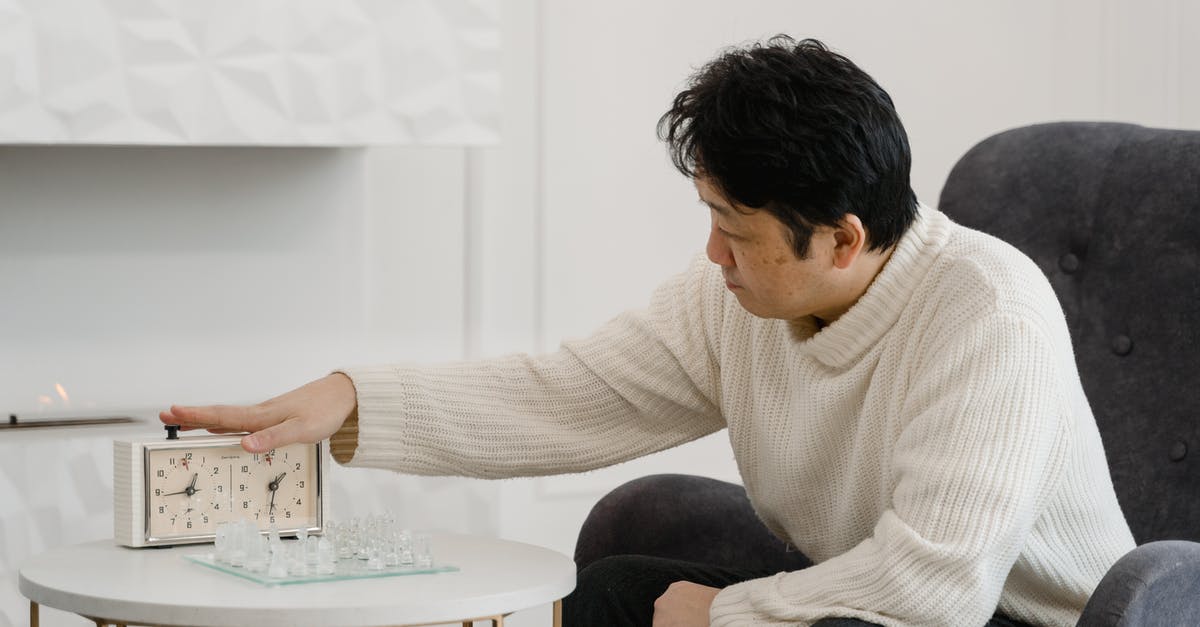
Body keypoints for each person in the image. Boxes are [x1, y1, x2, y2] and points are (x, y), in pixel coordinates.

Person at [161, 36, 1136, 627]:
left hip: (1018, 620)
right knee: (616, 593)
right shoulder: (739, 303)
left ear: (841, 239)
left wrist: (728, 612)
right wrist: (349, 401)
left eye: (735, 231)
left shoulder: (986, 313)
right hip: (858, 596)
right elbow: (566, 397)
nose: (713, 254)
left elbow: (938, 591)